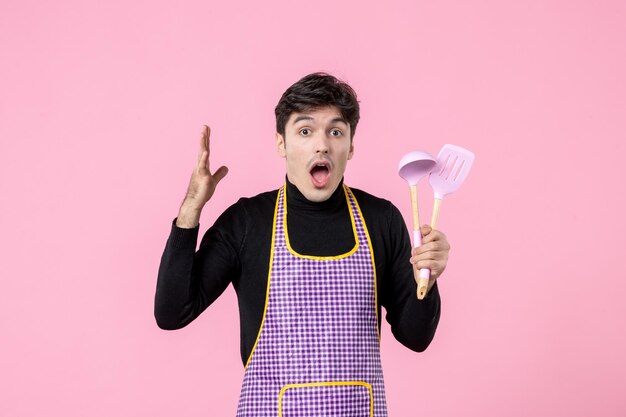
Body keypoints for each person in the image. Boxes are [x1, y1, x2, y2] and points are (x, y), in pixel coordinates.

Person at [155, 72, 450, 416]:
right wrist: (192, 206)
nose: (322, 144)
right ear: (281, 143)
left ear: (351, 146)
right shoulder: (248, 221)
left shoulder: (380, 219)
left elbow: (416, 337)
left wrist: (427, 276)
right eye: (305, 131)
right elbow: (172, 313)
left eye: (336, 132)